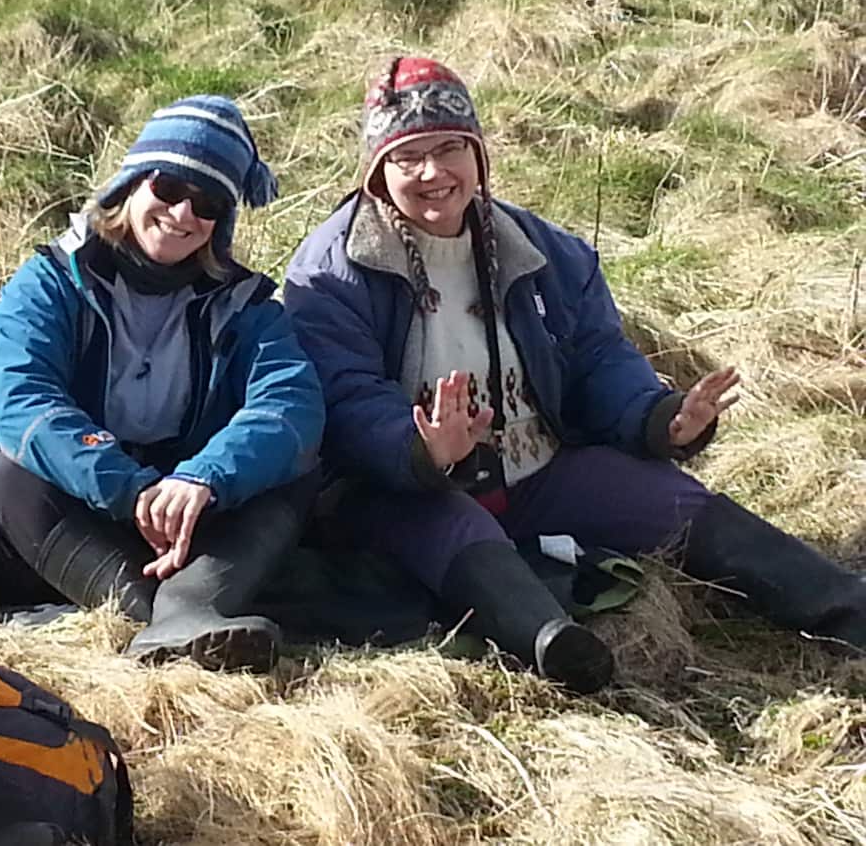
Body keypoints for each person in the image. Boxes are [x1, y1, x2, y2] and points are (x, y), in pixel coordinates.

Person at [283, 56, 866, 693]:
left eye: (450, 148)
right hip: (404, 489)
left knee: (672, 499)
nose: (432, 172)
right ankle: (555, 645)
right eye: (406, 157)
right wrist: (420, 449)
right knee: (458, 528)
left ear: (478, 153)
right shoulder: (328, 273)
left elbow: (597, 359)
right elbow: (343, 396)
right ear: (375, 172)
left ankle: (843, 607)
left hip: (538, 467)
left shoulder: (544, 251)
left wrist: (660, 417)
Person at [0, 95, 325, 673]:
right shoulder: (49, 281)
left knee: (294, 467)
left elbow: (290, 405)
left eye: (209, 202)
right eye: (168, 189)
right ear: (132, 185)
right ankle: (171, 622)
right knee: (9, 476)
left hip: (185, 517)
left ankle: (185, 615)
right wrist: (129, 488)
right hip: (80, 508)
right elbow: (22, 401)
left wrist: (206, 478)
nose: (183, 214)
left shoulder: (246, 307)